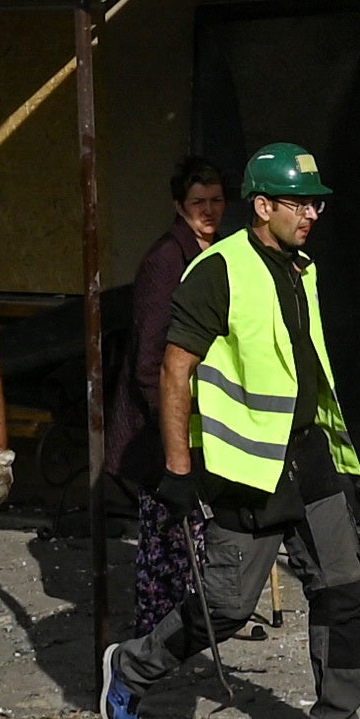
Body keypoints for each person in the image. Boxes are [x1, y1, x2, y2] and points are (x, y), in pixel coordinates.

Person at [98, 138, 360, 719]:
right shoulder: (218, 270)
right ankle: (130, 669)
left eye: (316, 206)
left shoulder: (301, 268)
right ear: (262, 206)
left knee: (342, 591)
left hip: (307, 459)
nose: (311, 215)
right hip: (247, 468)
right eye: (298, 204)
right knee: (225, 607)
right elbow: (175, 369)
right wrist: (178, 469)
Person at [111, 155, 235, 661]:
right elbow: (151, 360)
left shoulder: (219, 251)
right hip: (161, 425)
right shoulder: (168, 260)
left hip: (204, 424)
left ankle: (180, 640)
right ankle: (148, 652)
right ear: (179, 207)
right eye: (198, 203)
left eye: (216, 201)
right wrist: (170, 435)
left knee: (195, 547)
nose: (209, 211)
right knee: (165, 548)